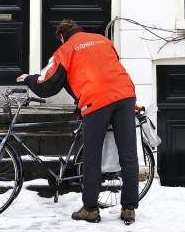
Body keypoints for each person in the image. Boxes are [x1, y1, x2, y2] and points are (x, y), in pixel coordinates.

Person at [16, 20, 139, 225]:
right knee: (128, 153)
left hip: (96, 101)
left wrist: (29, 78)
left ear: (62, 36)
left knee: (92, 155)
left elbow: (48, 84)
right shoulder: (102, 40)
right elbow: (109, 67)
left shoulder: (65, 50)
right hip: (125, 94)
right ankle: (129, 208)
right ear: (79, 30)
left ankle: (90, 209)